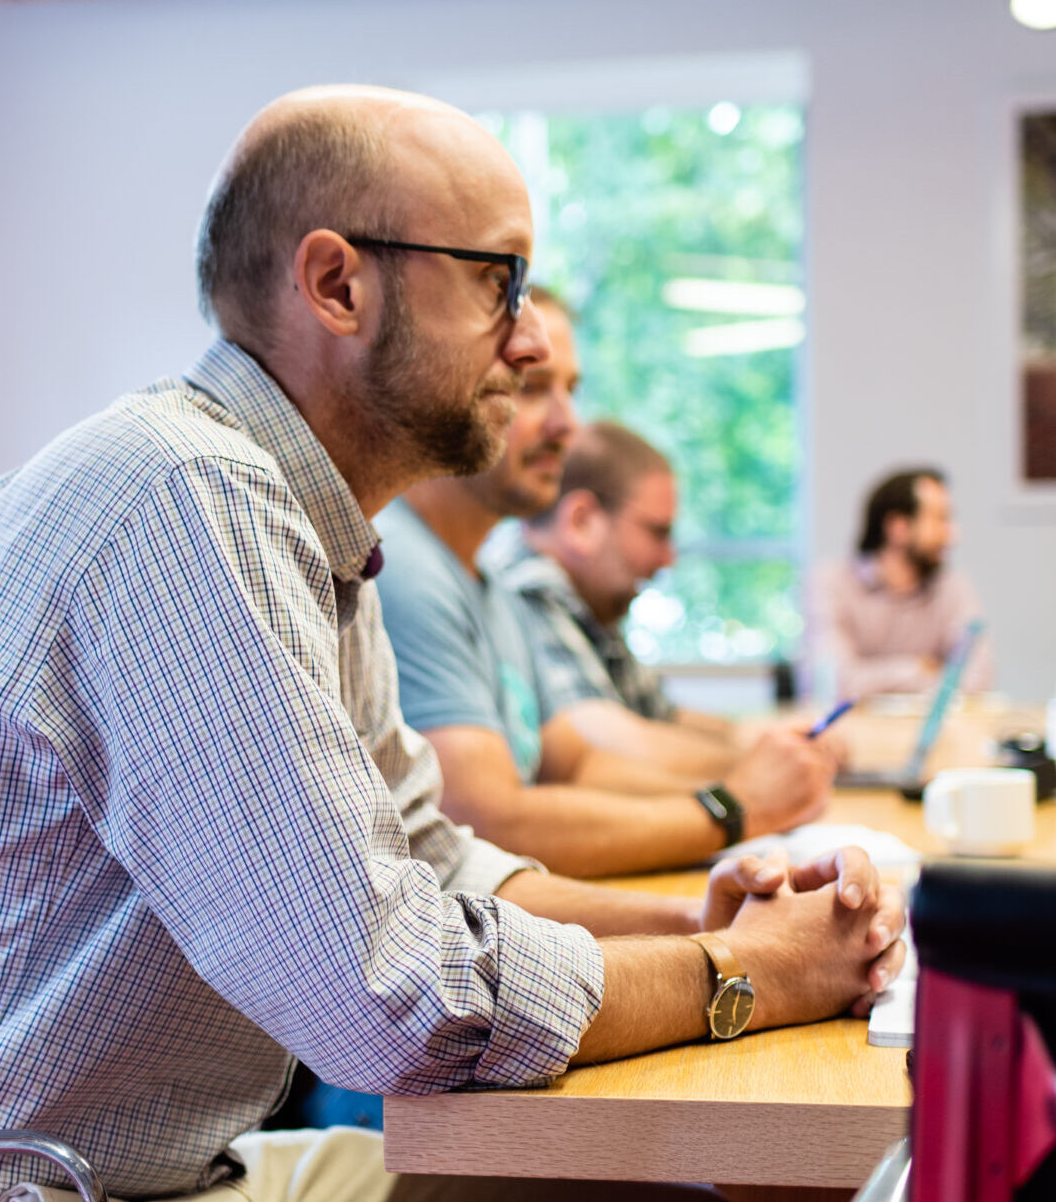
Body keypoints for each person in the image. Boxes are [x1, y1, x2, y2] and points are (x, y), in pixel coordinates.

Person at [0, 85, 907, 1202]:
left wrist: (697, 915)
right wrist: (743, 975)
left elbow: (437, 864)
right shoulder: (182, 500)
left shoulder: (304, 526)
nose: (527, 345)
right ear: (338, 285)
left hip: (145, 1199)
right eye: (498, 282)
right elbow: (398, 1002)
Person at [375, 292, 836, 880]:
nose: (569, 424)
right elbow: (484, 823)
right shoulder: (404, 563)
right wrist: (732, 808)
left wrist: (752, 788)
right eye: (532, 386)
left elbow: (581, 764)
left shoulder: (488, 586)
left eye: (571, 389)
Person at [487, 418, 812, 783]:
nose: (668, 558)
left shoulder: (592, 605)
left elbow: (662, 715)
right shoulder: (528, 590)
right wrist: (764, 758)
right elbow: (613, 746)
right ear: (581, 521)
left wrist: (765, 737)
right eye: (657, 532)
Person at [810, 466, 993, 700]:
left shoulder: (953, 587)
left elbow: (979, 679)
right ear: (898, 528)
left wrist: (874, 678)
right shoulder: (833, 582)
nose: (952, 535)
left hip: (931, 735)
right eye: (939, 519)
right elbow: (835, 683)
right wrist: (918, 668)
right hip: (852, 733)